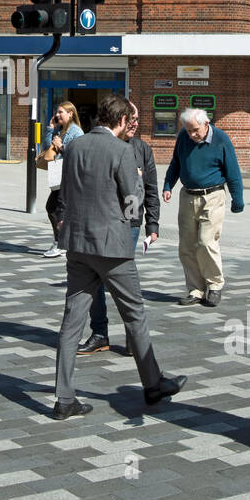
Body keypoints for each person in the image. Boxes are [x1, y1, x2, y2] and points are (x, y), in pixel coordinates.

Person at [52, 93, 186, 420]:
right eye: (130, 121)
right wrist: (132, 207)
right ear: (122, 120)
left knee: (72, 321)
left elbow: (65, 194)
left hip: (78, 244)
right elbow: (132, 199)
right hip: (112, 246)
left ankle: (64, 398)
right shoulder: (123, 151)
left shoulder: (75, 147)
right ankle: (152, 383)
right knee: (134, 314)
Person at [79, 101, 158, 355]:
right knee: (99, 282)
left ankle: (133, 337)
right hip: (101, 223)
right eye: (131, 119)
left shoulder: (141, 149)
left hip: (129, 225)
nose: (134, 124)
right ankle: (99, 333)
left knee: (124, 283)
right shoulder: (104, 146)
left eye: (137, 120)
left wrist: (152, 224)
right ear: (120, 120)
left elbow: (150, 191)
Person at [162, 107, 244, 307]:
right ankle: (195, 289)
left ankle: (214, 285)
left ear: (206, 124)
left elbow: (233, 171)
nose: (192, 135)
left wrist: (237, 200)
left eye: (195, 130)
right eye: (188, 130)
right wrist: (167, 185)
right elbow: (176, 163)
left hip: (213, 196)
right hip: (188, 196)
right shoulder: (183, 137)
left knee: (206, 242)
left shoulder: (221, 139)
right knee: (187, 246)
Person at [40, 101, 83, 258]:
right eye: (57, 112)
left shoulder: (76, 132)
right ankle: (63, 242)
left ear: (70, 114)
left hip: (69, 177)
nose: (57, 115)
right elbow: (46, 148)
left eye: (61, 112)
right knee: (56, 209)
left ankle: (61, 243)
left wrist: (61, 146)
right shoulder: (59, 130)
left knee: (54, 208)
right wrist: (50, 129)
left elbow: (78, 156)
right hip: (59, 176)